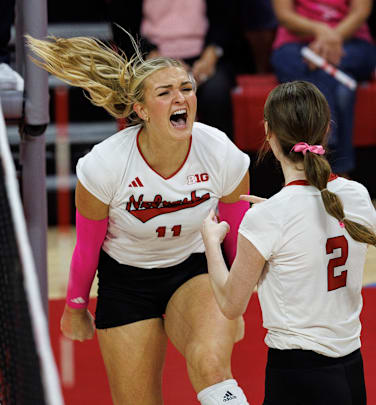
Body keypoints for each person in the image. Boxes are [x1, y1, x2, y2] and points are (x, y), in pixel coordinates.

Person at [199, 80, 376, 404]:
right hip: (350, 367)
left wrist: (211, 241)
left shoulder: (268, 218)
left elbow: (230, 304)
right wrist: (278, 215)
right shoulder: (358, 196)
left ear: (269, 133)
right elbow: (314, 222)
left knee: (215, 392)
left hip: (296, 375)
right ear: (326, 130)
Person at [26, 35, 251, 405]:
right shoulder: (105, 165)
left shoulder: (222, 152)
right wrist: (76, 307)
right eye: (164, 93)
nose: (180, 98)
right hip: (126, 281)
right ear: (142, 110)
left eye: (186, 88)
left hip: (193, 269)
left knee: (211, 364)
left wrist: (235, 301)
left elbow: (234, 235)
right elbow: (87, 246)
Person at [270, 0, 376, 176]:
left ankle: (319, 155)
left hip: (349, 42)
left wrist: (328, 40)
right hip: (296, 44)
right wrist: (319, 30)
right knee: (343, 91)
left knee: (324, 75)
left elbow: (360, 11)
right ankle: (339, 170)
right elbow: (284, 14)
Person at [109, 0, 242, 136]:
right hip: (151, 56)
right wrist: (153, 56)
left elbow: (226, 18)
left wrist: (211, 54)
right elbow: (123, 26)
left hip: (203, 56)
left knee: (216, 93)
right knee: (144, 95)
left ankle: (218, 155)